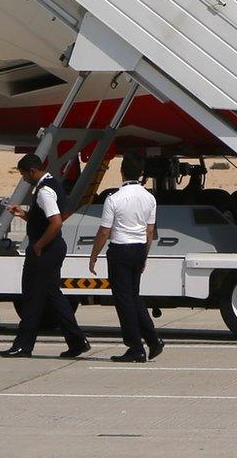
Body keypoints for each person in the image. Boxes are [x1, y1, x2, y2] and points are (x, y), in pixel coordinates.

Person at [0, 154, 92, 359]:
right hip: (51, 248)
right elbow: (46, 218)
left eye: (24, 175)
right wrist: (23, 214)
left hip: (45, 249)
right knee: (51, 296)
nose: (24, 179)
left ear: (32, 171)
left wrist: (39, 245)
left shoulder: (44, 191)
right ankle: (77, 341)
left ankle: (23, 345)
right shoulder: (51, 184)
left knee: (32, 297)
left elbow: (56, 222)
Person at [87, 154, 161, 363]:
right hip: (139, 249)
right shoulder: (149, 198)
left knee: (124, 300)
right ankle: (153, 339)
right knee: (134, 296)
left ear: (122, 172)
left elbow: (104, 231)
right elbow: (149, 231)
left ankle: (135, 346)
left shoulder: (114, 198)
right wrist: (145, 255)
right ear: (141, 174)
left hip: (120, 250)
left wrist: (93, 256)